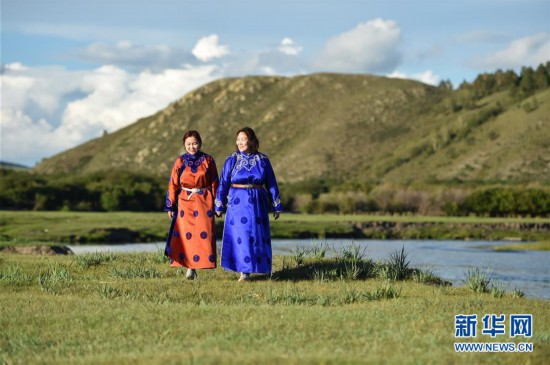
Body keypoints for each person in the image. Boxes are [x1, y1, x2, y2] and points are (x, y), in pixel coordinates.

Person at [215, 127, 282, 282]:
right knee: (242, 235)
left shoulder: (263, 160)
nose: (240, 142)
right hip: (237, 202)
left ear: (251, 140)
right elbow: (223, 183)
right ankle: (244, 272)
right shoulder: (232, 159)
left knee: (255, 236)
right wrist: (219, 205)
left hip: (258, 203)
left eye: (243, 139)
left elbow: (271, 183)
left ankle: (254, 268)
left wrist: (276, 205)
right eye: (238, 139)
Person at [164, 130, 219, 280]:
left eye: (194, 143)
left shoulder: (208, 160)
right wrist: (170, 205)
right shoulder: (180, 161)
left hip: (204, 200)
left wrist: (218, 204)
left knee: (203, 234)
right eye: (188, 144)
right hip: (184, 202)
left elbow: (215, 182)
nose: (192, 146)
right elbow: (173, 183)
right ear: (184, 145)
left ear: (200, 143)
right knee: (186, 235)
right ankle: (189, 268)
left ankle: (197, 265)